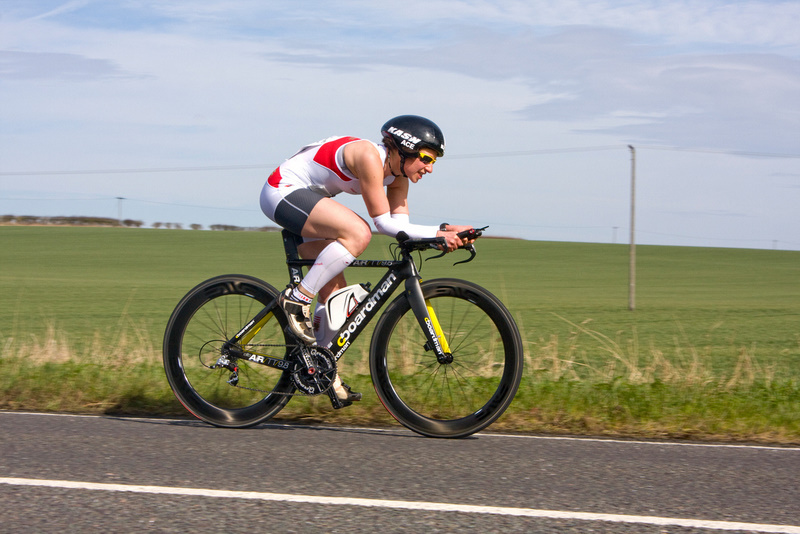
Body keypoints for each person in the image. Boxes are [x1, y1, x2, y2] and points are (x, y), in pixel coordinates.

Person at [259, 115, 473, 408]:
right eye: (426, 158)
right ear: (404, 148)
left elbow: (402, 228)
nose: (430, 168)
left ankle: (320, 372)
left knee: (339, 305)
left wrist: (442, 235)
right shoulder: (369, 156)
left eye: (433, 161)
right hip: (282, 191)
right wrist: (440, 233)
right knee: (358, 233)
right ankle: (296, 301)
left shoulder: (397, 177)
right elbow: (383, 224)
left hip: (310, 200)